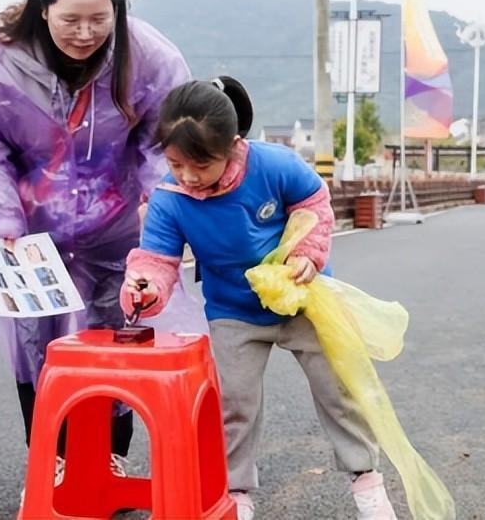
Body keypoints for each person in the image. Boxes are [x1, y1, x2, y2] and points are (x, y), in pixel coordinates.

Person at [0, 0, 190, 483]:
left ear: (118, 11)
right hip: (29, 233)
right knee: (36, 341)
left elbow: (165, 136)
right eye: (70, 19)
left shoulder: (147, 58)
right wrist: (1, 214)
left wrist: (160, 197)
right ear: (43, 8)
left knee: (118, 335)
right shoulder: (0, 68)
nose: (84, 32)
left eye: (99, 19)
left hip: (117, 226)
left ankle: (109, 456)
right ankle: (50, 458)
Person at [119, 80, 396, 520]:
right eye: (175, 163)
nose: (188, 176)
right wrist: (145, 286)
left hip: (302, 299)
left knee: (338, 389)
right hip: (233, 311)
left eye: (201, 165)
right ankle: (236, 493)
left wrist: (307, 252)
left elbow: (314, 201)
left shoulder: (274, 165)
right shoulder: (169, 199)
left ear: (233, 146)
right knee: (234, 404)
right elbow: (155, 260)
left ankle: (366, 481)